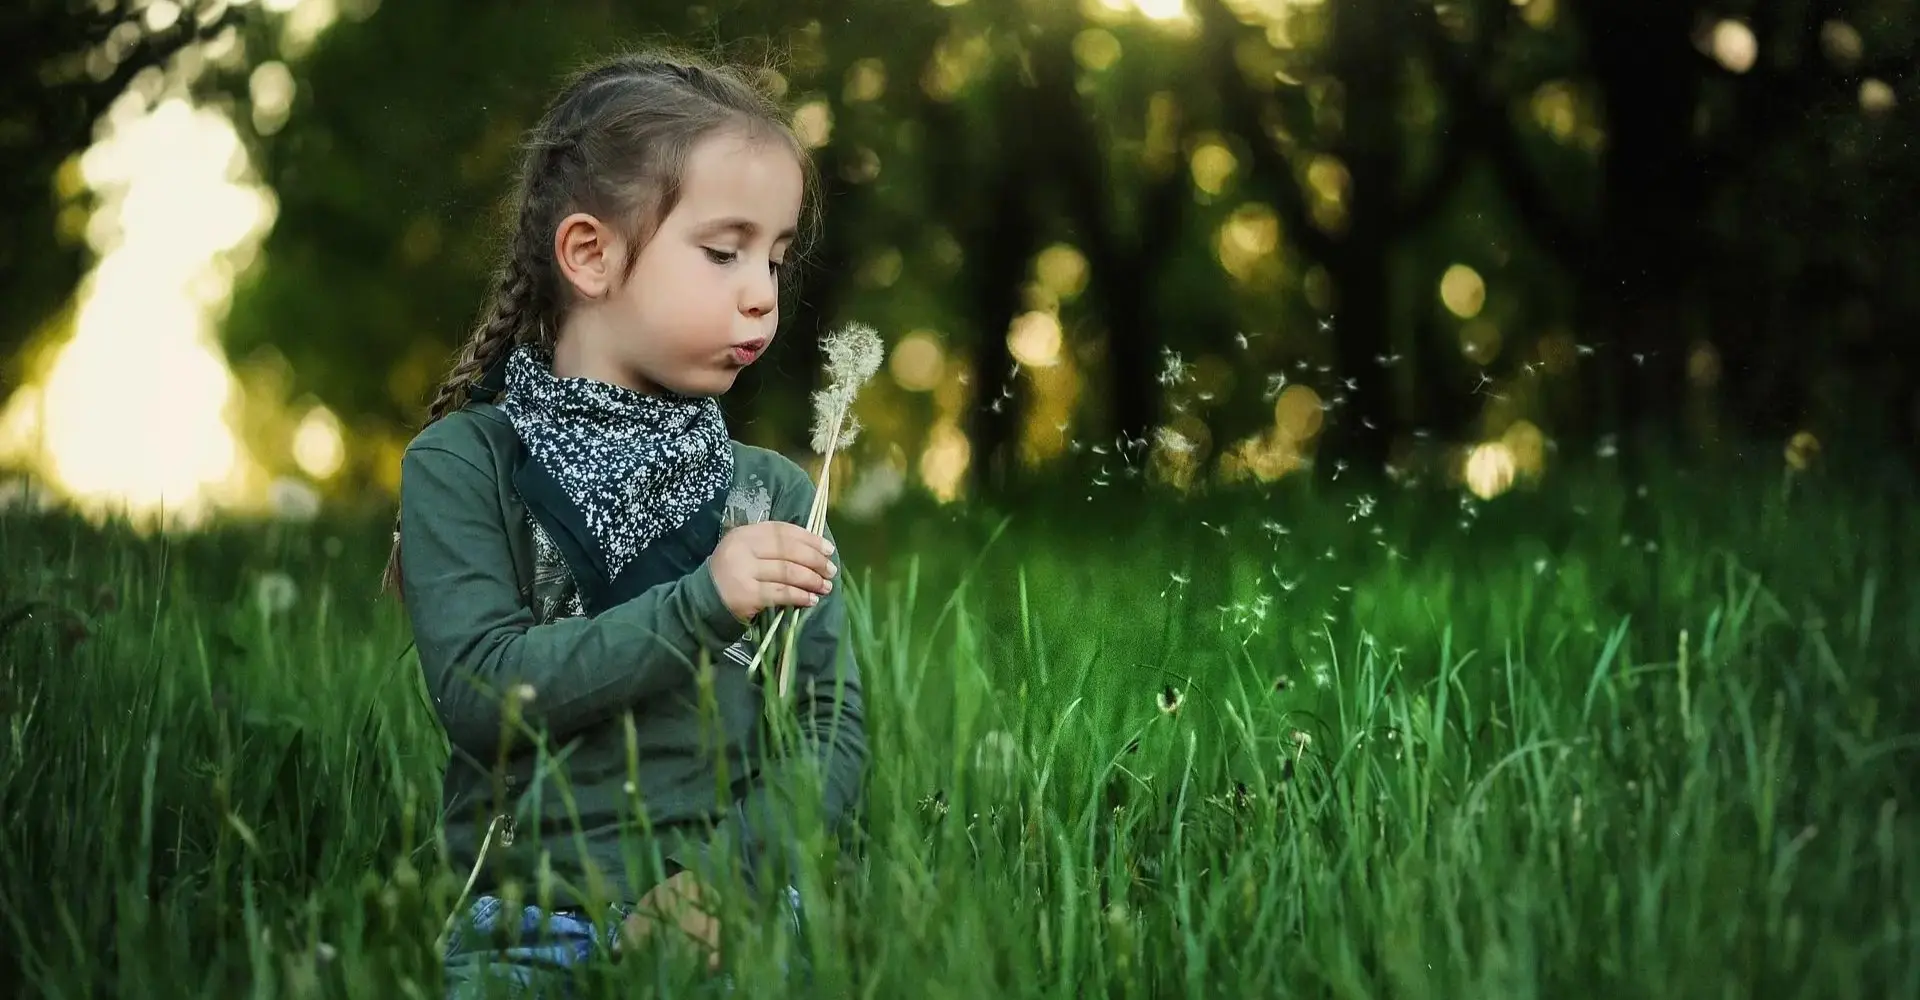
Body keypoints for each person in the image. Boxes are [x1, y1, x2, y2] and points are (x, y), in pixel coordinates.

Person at [380, 49, 868, 997]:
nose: (763, 290)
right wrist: (705, 603)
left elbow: (830, 729)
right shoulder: (461, 466)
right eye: (724, 252)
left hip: (733, 909)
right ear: (591, 254)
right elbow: (484, 697)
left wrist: (724, 887)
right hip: (525, 912)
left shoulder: (773, 493)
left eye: (775, 255)